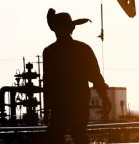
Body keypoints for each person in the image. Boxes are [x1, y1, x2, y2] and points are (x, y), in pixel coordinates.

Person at [43, 8, 112, 144]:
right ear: (72, 29)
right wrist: (104, 97)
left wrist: (48, 106)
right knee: (79, 134)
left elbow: (48, 82)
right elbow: (95, 76)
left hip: (59, 105)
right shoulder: (83, 49)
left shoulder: (50, 51)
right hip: (77, 103)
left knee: (56, 136)